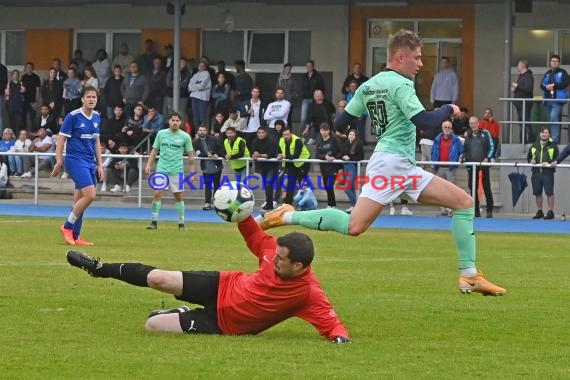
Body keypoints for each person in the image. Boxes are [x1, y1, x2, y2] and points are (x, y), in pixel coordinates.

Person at [257, 29, 506, 296]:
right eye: (417, 58)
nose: (421, 64)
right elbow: (424, 122)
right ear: (400, 57)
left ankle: (469, 275)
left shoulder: (369, 85)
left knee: (464, 203)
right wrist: (449, 109)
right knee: (354, 225)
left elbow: (340, 122)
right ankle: (287, 214)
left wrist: (349, 129)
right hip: (393, 163)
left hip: (398, 164)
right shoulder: (401, 84)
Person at [65, 215, 351, 343]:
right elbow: (254, 235)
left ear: (299, 266)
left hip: (222, 325)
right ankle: (99, 268)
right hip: (223, 284)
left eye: (281, 260)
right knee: (159, 278)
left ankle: (178, 312)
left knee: (152, 325)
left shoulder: (308, 293)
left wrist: (340, 339)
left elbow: (333, 325)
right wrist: (241, 212)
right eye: (275, 255)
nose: (274, 260)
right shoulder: (271, 250)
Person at [52, 86, 103, 246]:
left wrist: (100, 164)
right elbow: (61, 139)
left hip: (90, 161)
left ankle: (75, 236)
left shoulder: (96, 117)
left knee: (80, 200)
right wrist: (59, 161)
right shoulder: (73, 116)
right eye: (88, 96)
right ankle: (67, 226)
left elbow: (96, 141)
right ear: (82, 99)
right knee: (90, 195)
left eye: (94, 97)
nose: (91, 99)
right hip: (75, 160)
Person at [145, 112, 195, 231]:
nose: (175, 122)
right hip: (162, 168)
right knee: (157, 193)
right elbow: (154, 151)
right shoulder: (161, 134)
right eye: (173, 120)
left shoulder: (185, 137)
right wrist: (148, 165)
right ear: (169, 121)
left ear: (180, 122)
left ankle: (181, 223)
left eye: (177, 120)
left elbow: (190, 156)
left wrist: (192, 172)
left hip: (177, 170)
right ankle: (153, 222)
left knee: (178, 197)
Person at [461, 116, 495, 218]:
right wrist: (463, 157)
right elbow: (465, 150)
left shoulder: (485, 133)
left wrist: (487, 158)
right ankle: (475, 210)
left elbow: (492, 147)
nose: (473, 125)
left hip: (483, 165)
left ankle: (489, 210)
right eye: (471, 123)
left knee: (486, 186)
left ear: (478, 123)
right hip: (471, 165)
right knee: (472, 187)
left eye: (474, 123)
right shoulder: (468, 135)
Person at [431, 120, 463, 217]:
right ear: (442, 128)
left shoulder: (456, 140)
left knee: (451, 190)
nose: (447, 129)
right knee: (440, 191)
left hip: (450, 168)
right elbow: (433, 152)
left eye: (449, 127)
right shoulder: (437, 139)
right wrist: (433, 166)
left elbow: (461, 151)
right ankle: (443, 209)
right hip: (439, 168)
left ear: (451, 128)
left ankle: (450, 210)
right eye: (445, 127)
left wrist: (459, 160)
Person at [527, 127, 558, 220]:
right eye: (542, 132)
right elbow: (528, 157)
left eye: (546, 132)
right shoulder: (534, 145)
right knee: (537, 193)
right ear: (539, 134)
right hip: (536, 173)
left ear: (549, 134)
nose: (544, 134)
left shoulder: (553, 145)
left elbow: (557, 158)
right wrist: (531, 160)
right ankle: (539, 211)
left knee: (549, 192)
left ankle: (550, 211)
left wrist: (549, 163)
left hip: (548, 173)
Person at [539, 54, 569, 144]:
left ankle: (555, 140)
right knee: (553, 119)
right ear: (550, 62)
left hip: (558, 100)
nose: (554, 63)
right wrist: (546, 87)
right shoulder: (548, 73)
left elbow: (565, 83)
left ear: (559, 63)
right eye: (552, 61)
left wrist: (554, 86)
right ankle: (554, 139)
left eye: (556, 61)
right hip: (548, 100)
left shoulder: (563, 72)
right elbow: (541, 84)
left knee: (553, 117)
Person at [194, 125, 224, 210]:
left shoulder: (214, 139)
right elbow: (198, 154)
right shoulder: (196, 142)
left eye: (204, 130)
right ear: (198, 131)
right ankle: (207, 203)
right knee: (207, 185)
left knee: (217, 185)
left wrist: (216, 154)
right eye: (200, 130)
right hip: (205, 167)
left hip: (217, 166)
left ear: (206, 131)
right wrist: (206, 154)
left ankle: (216, 202)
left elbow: (221, 149)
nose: (202, 132)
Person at [251, 126, 279, 211]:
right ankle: (269, 203)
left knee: (268, 184)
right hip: (263, 167)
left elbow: (271, 154)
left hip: (272, 166)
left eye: (262, 132)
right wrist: (255, 154)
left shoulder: (271, 141)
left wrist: (259, 155)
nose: (260, 134)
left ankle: (270, 203)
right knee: (266, 186)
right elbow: (253, 152)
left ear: (266, 133)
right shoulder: (255, 141)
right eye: (259, 133)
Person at [340, 129, 364, 213]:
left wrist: (350, 158)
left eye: (353, 135)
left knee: (347, 188)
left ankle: (356, 206)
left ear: (356, 136)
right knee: (351, 188)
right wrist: (343, 157)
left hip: (353, 167)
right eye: (350, 134)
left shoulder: (358, 145)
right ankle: (354, 206)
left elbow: (360, 157)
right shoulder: (345, 143)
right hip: (345, 167)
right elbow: (341, 153)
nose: (351, 136)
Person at [511, 59, 534, 143]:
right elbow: (521, 88)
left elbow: (528, 89)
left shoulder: (528, 76)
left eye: (518, 65)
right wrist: (515, 89)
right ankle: (523, 141)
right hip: (519, 104)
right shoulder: (521, 76)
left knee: (526, 123)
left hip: (525, 104)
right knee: (522, 124)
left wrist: (517, 86)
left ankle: (531, 141)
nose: (517, 67)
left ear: (522, 66)